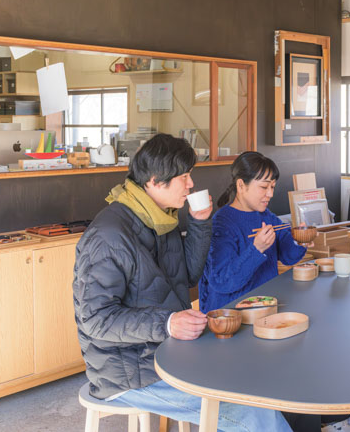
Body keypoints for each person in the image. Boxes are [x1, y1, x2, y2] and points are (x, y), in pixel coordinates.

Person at [73, 134, 292, 432]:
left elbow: (187, 275)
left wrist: (200, 223)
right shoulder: (109, 236)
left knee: (254, 379)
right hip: (130, 371)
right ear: (154, 180)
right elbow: (95, 320)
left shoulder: (160, 218)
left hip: (170, 352)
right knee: (252, 414)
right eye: (184, 177)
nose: (191, 184)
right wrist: (168, 323)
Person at [199, 151, 307, 313]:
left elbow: (288, 257)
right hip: (231, 315)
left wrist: (301, 240)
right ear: (241, 185)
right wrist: (256, 249)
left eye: (272, 187)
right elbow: (222, 281)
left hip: (265, 308)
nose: (270, 194)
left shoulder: (266, 216)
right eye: (264, 187)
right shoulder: (221, 224)